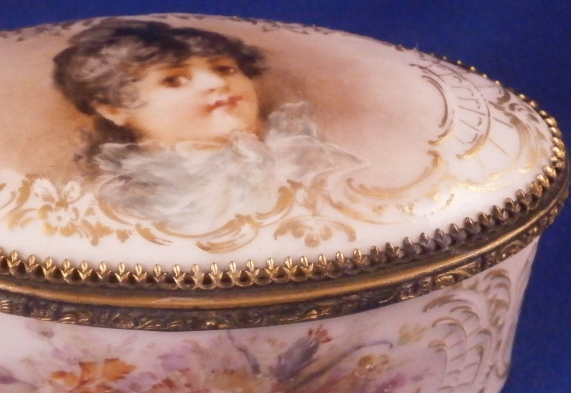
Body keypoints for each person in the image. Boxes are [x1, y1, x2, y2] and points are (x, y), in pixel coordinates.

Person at [53, 19, 364, 236]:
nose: (216, 82)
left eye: (225, 69)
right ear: (113, 109)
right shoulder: (126, 197)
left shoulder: (302, 155)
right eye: (174, 80)